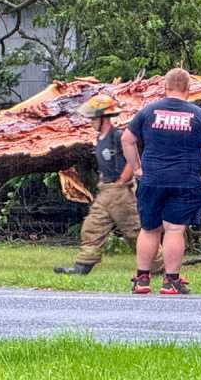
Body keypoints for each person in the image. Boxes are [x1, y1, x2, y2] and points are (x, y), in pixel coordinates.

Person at [122, 67, 201, 295]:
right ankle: (171, 281)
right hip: (185, 181)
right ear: (188, 89)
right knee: (174, 229)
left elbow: (127, 139)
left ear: (165, 87)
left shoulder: (148, 111)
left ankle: (142, 280)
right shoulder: (199, 116)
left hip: (152, 179)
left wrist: (137, 168)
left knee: (149, 229)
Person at [55, 95, 160, 277]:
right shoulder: (100, 139)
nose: (91, 122)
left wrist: (121, 181)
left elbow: (132, 159)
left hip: (120, 193)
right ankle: (82, 265)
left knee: (134, 231)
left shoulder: (118, 136)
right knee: (92, 226)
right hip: (106, 191)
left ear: (103, 118)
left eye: (93, 118)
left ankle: (160, 266)